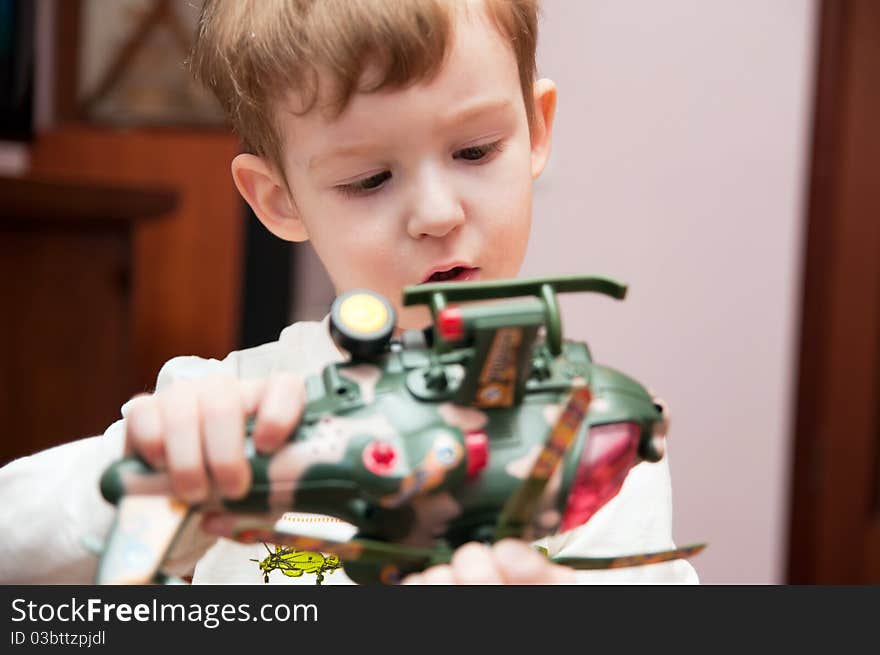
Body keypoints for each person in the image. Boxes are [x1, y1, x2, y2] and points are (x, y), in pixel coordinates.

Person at [0, 0, 698, 585]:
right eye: (369, 180)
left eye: (475, 150)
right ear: (279, 201)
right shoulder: (218, 404)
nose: (437, 213)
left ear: (536, 127)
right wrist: (134, 481)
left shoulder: (597, 437)